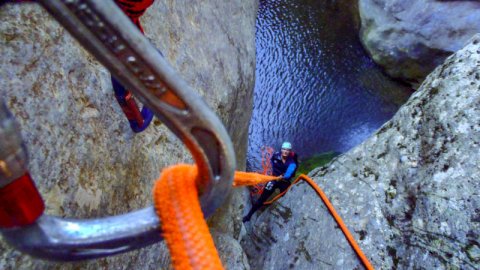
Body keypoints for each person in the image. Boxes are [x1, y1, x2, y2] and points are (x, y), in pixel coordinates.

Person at [243, 142, 298, 222]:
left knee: (287, 197)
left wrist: (282, 176)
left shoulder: (292, 162)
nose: (285, 151)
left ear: (290, 151)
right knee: (261, 199)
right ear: (281, 149)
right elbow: (272, 162)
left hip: (284, 182)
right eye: (284, 149)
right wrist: (274, 174)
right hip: (274, 179)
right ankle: (249, 216)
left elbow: (289, 173)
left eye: (287, 150)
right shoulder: (276, 156)